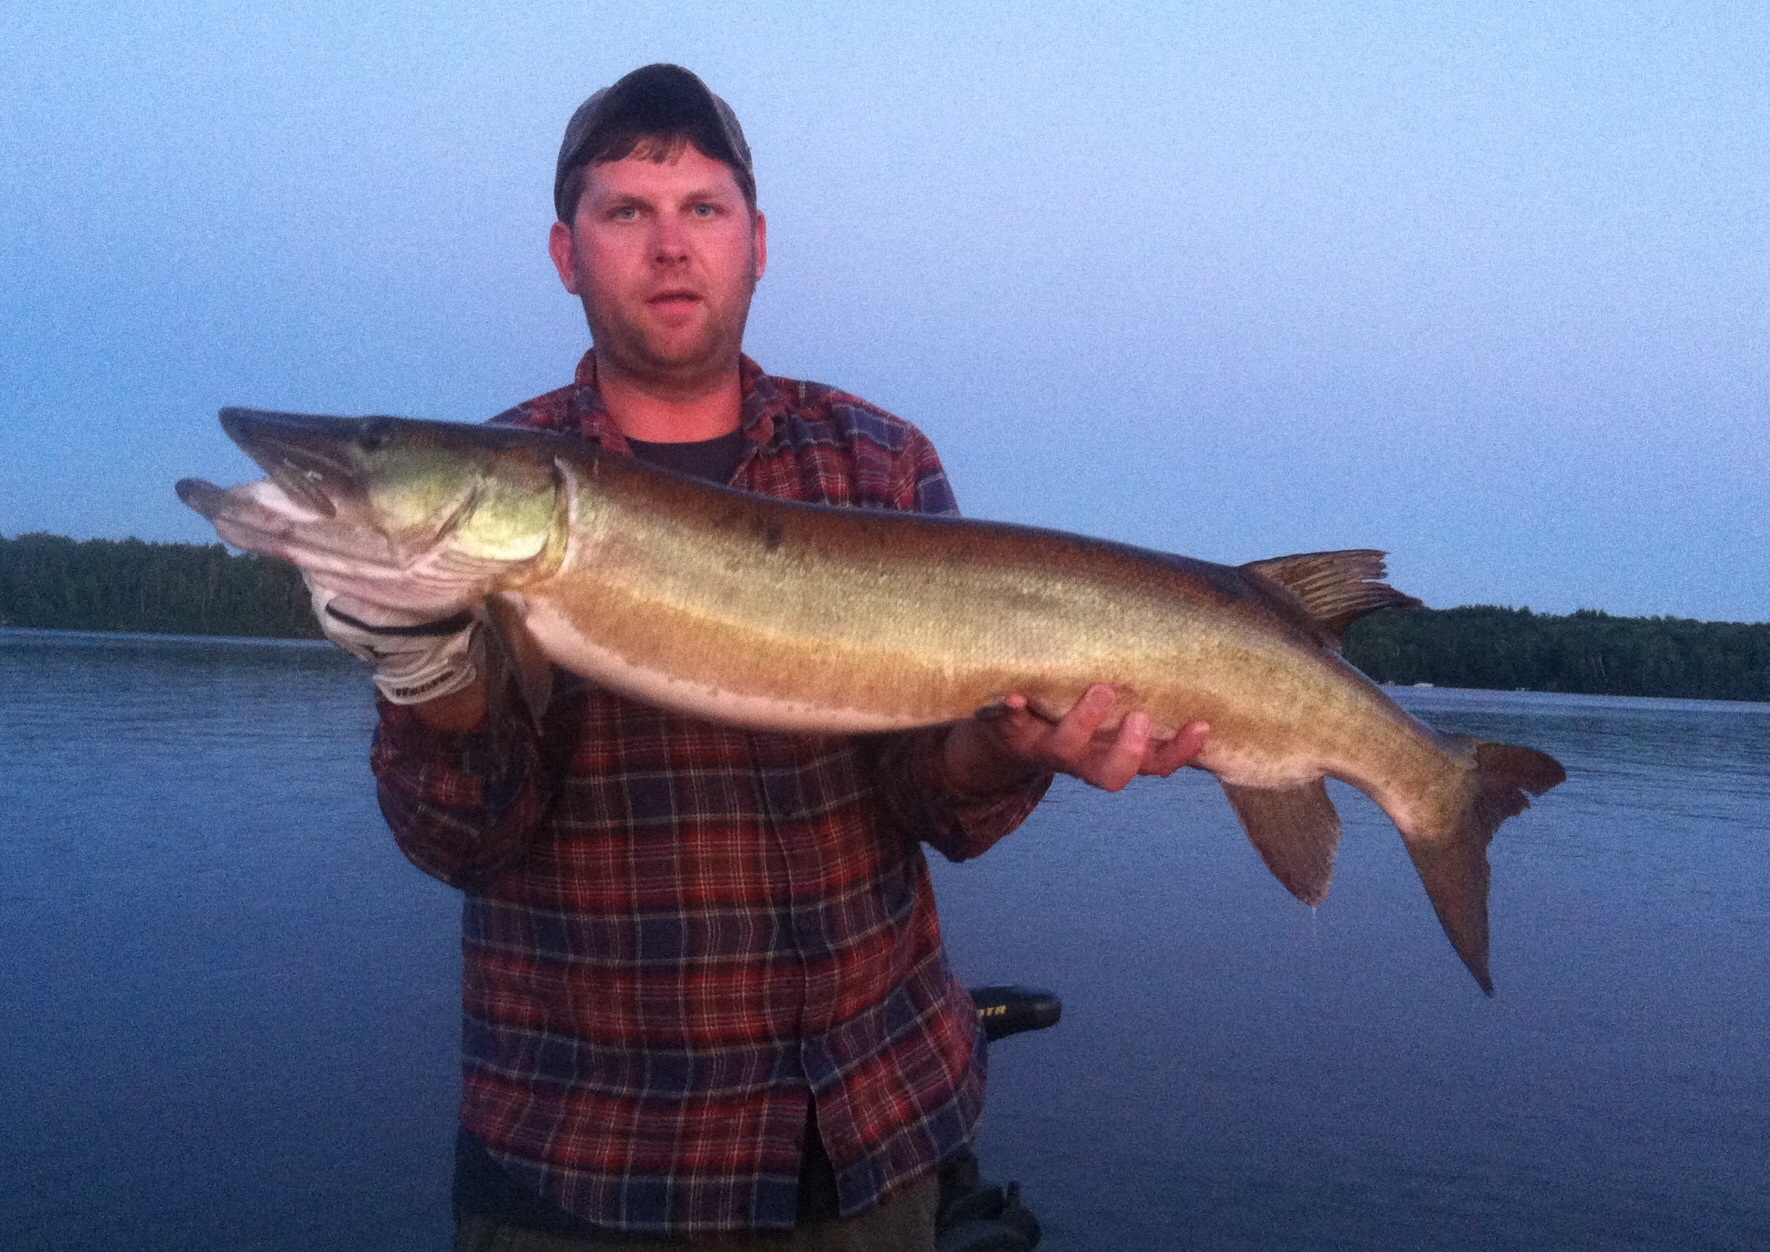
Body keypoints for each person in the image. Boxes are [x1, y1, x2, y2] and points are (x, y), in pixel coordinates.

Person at [312, 64, 1208, 1251]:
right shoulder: (505, 487)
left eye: (703, 209)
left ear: (758, 241)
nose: (669, 246)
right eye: (625, 211)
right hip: (582, 1170)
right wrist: (429, 677)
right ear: (565, 252)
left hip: (873, 1144)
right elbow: (460, 839)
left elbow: (935, 806)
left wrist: (1005, 745)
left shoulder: (880, 462)